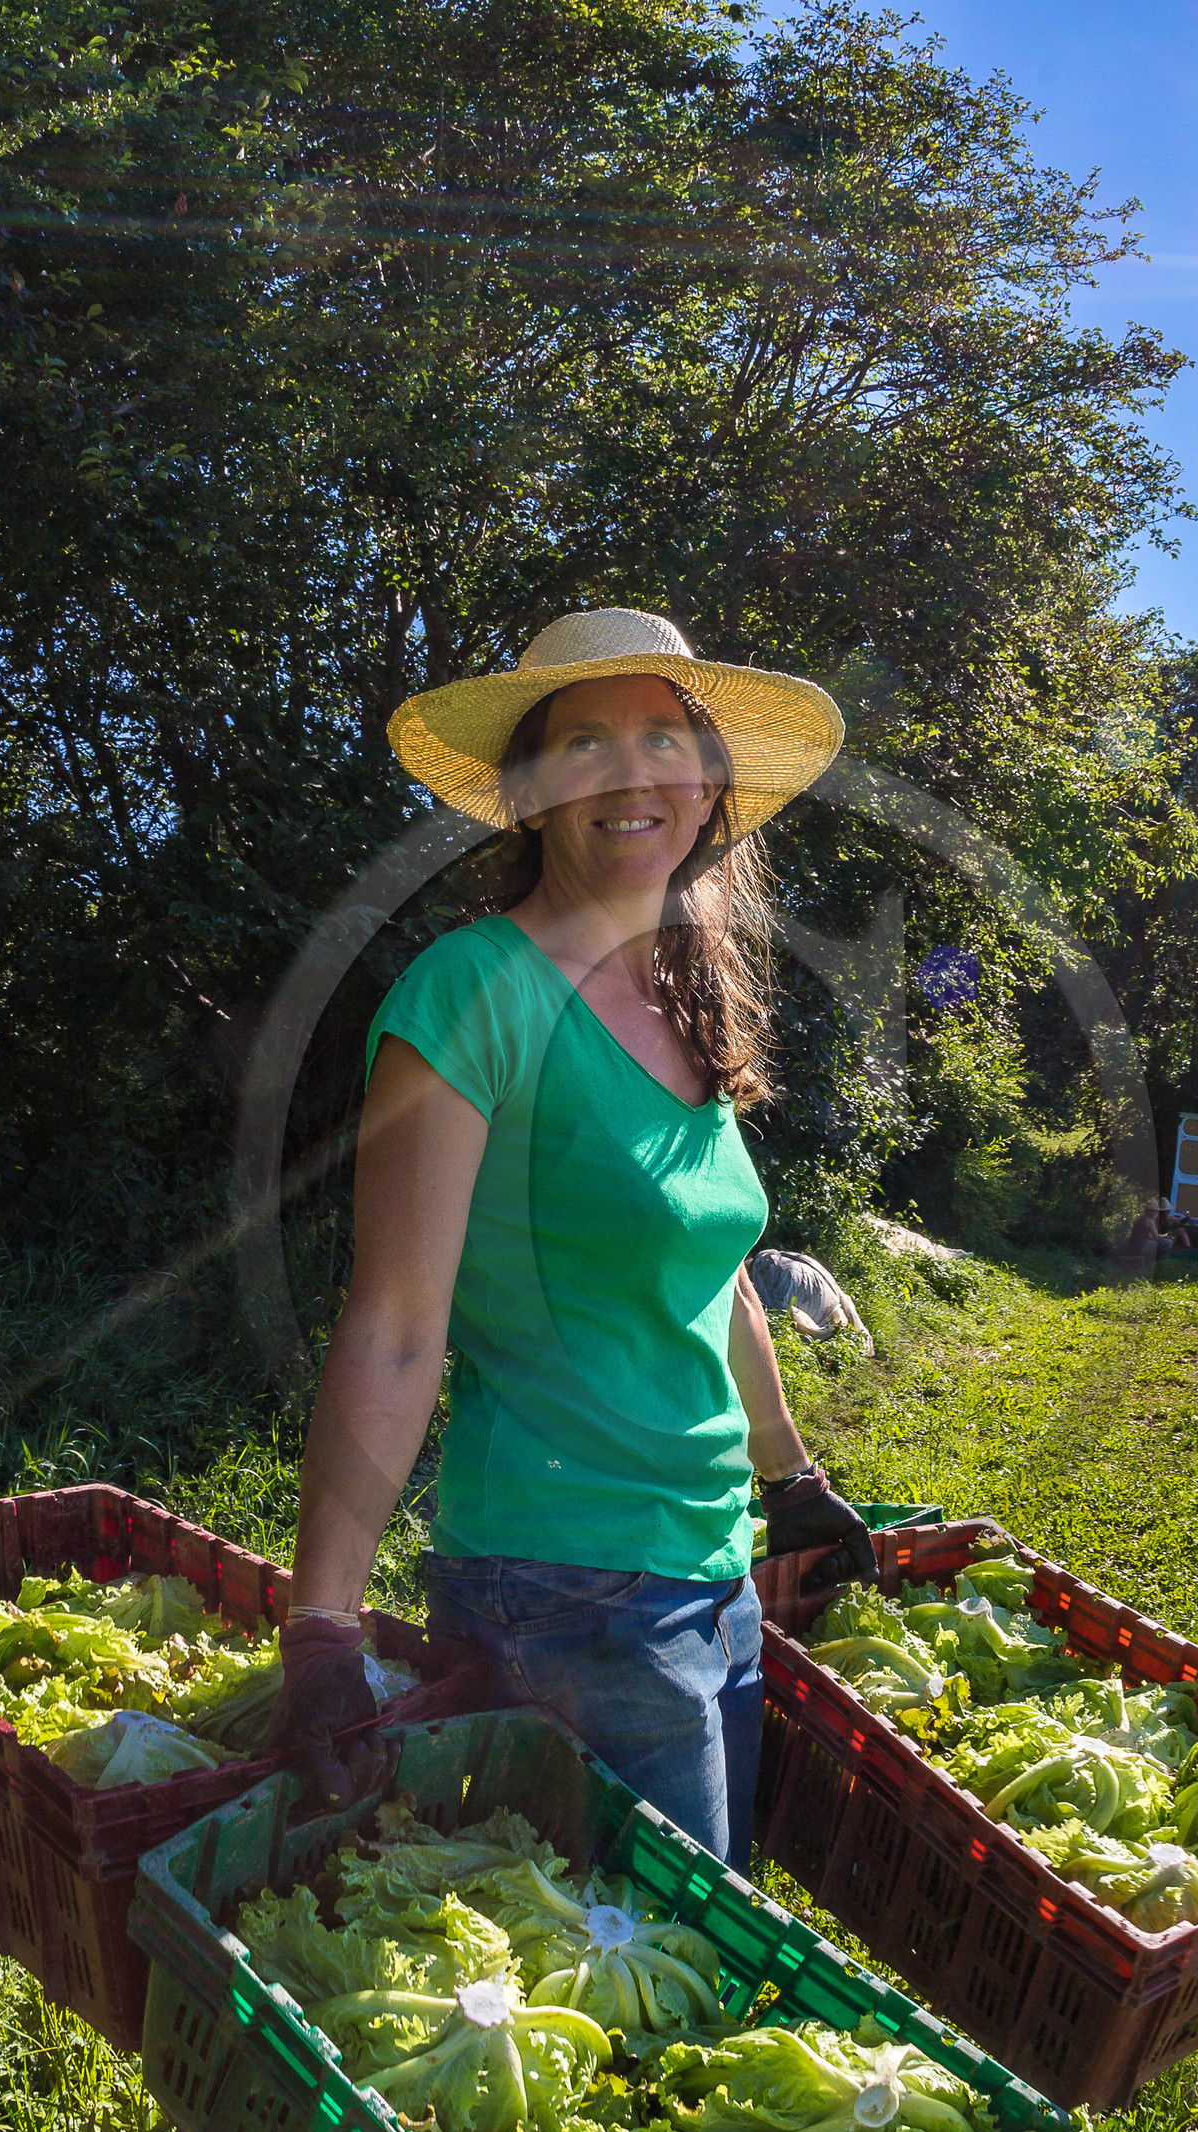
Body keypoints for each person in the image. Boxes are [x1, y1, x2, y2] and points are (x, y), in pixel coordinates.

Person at [263, 607, 879, 1868]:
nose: (631, 772)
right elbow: (393, 1323)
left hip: (707, 1565)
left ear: (709, 783)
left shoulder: (684, 993)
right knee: (651, 1972)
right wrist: (321, 1623)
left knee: (704, 1923)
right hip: (562, 1587)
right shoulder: (471, 994)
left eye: (664, 736)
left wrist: (789, 1479)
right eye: (583, 744)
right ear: (532, 796)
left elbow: (714, 1282)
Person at [1124, 1199, 1194, 1265]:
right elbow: (1156, 1237)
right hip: (1141, 1247)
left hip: (1135, 1246)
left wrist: (1187, 1218)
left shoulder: (1142, 1218)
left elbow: (1148, 1235)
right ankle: (1161, 1261)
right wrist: (1166, 1235)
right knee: (1167, 1242)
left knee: (1178, 1233)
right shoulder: (1150, 1220)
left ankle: (1188, 1249)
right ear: (1154, 1212)